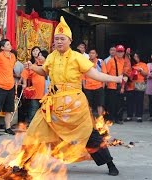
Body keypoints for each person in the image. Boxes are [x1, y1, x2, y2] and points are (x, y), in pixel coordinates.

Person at [14, 16, 122, 176]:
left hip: (74, 105)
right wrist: (33, 67)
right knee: (35, 130)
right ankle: (23, 162)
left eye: (62, 39)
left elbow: (94, 74)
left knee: (89, 134)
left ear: (69, 40)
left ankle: (110, 164)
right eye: (56, 39)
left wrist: (115, 78)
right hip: (53, 104)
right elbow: (44, 71)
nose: (58, 41)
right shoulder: (51, 56)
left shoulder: (78, 57)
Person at [104, 44, 129, 124]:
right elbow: (106, 73)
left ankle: (118, 118)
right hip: (111, 86)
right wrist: (106, 84)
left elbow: (126, 75)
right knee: (111, 104)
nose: (120, 53)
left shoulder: (125, 61)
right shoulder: (111, 61)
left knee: (120, 103)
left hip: (121, 86)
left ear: (123, 52)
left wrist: (122, 87)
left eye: (121, 52)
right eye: (118, 52)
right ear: (116, 52)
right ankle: (111, 119)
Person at [21, 50, 47, 123]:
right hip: (36, 93)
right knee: (33, 110)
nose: (39, 57)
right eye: (39, 55)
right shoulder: (33, 66)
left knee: (46, 111)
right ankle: (31, 125)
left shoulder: (49, 66)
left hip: (47, 94)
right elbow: (25, 73)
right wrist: (24, 84)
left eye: (41, 55)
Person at [83, 49, 105, 117]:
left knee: (100, 104)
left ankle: (100, 119)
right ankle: (90, 119)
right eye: (90, 53)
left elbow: (104, 74)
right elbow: (83, 76)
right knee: (89, 104)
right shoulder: (85, 62)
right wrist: (84, 86)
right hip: (88, 87)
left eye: (93, 53)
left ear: (96, 55)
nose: (91, 54)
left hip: (98, 86)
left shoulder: (100, 62)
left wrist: (103, 85)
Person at [129, 52, 148, 122]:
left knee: (139, 101)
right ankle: (129, 115)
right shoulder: (131, 64)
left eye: (137, 56)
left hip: (139, 84)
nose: (135, 58)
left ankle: (139, 116)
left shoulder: (143, 64)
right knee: (130, 101)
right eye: (134, 56)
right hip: (131, 85)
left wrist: (141, 71)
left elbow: (146, 74)